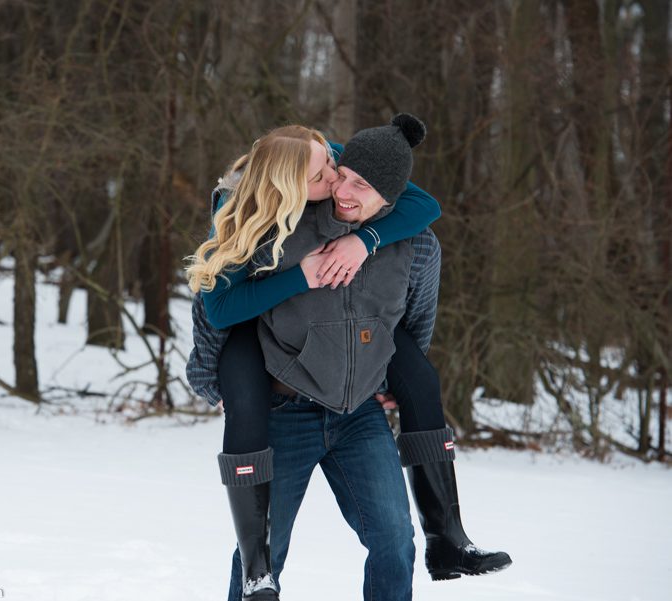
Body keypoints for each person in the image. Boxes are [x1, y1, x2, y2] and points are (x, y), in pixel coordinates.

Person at [188, 116, 511, 600]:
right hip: (283, 408)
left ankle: (447, 539)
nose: (339, 185)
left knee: (394, 541)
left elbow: (413, 323)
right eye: (334, 177)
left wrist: (384, 372)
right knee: (263, 560)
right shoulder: (268, 222)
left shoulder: (414, 241)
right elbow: (213, 309)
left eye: (358, 183)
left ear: (391, 198)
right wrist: (214, 380)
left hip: (357, 414)